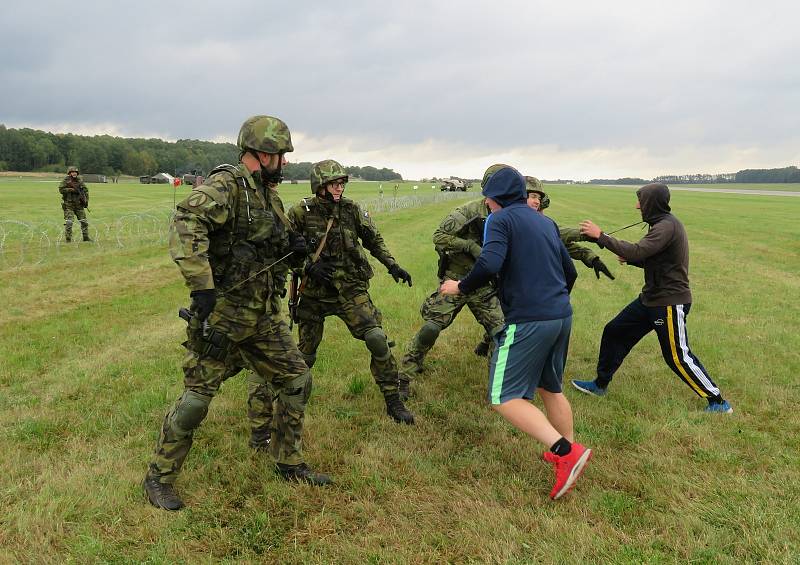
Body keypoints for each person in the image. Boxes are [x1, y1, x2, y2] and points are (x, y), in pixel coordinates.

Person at [143, 115, 330, 512]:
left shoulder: (267, 194)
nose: (284, 162)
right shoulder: (227, 185)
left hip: (262, 317)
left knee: (296, 378)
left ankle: (287, 461)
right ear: (263, 154)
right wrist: (203, 286)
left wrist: (295, 251)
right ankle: (158, 478)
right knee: (197, 399)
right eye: (280, 155)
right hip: (224, 319)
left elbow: (268, 243)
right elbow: (186, 222)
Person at [440, 165, 592, 500]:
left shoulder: (500, 219)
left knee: (503, 397)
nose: (488, 206)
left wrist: (460, 286)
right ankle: (566, 451)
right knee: (550, 387)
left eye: (488, 200)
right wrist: (552, 299)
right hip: (561, 314)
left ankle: (565, 453)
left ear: (495, 198)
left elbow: (490, 263)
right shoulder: (545, 222)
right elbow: (570, 272)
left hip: (529, 319)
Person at [572, 183, 733, 413]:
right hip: (650, 300)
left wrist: (601, 237)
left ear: (651, 203)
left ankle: (718, 401)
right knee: (615, 331)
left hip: (669, 302)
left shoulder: (666, 227)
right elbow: (656, 260)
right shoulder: (660, 225)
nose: (637, 205)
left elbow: (638, 250)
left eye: (641, 201)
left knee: (677, 355)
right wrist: (633, 260)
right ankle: (600, 385)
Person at [287, 159, 415, 424]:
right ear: (319, 186)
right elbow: (282, 250)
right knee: (306, 354)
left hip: (350, 289)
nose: (339, 188)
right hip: (313, 294)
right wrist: (307, 266)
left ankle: (393, 400)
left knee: (377, 339)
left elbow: (373, 240)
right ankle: (289, 404)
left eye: (341, 183)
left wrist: (393, 266)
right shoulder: (300, 212)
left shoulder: (351, 210)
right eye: (333, 183)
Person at [472, 175, 614, 357]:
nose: (536, 201)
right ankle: (492, 347)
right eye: (532, 196)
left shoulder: (541, 221)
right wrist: (589, 235)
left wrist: (590, 257)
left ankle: (495, 351)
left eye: (539, 197)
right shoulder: (502, 216)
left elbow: (561, 245)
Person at [398, 168, 506, 396]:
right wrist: (469, 246)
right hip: (456, 279)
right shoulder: (467, 212)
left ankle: (497, 388)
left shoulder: (511, 215)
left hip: (484, 284)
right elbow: (438, 236)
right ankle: (405, 373)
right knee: (431, 327)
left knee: (500, 332)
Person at [58, 166, 91, 242]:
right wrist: (71, 190)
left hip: (79, 205)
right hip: (69, 205)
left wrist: (86, 201)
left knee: (84, 222)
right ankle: (68, 239)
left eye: (75, 172)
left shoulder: (80, 181)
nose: (74, 173)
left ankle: (86, 237)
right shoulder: (66, 180)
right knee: (69, 222)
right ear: (69, 173)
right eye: (72, 172)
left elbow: (85, 191)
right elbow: (61, 189)